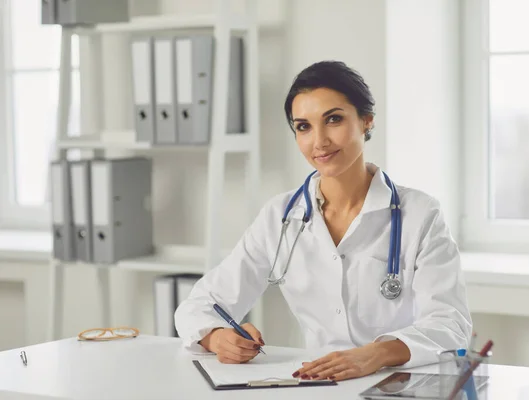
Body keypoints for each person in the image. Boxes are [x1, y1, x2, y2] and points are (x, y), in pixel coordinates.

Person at [174, 60, 472, 382]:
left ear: (366, 122)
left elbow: (450, 324)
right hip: (319, 384)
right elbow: (199, 305)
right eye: (303, 126)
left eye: (333, 120)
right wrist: (218, 337)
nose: (319, 141)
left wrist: (376, 354)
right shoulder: (281, 216)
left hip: (399, 383)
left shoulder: (420, 214)